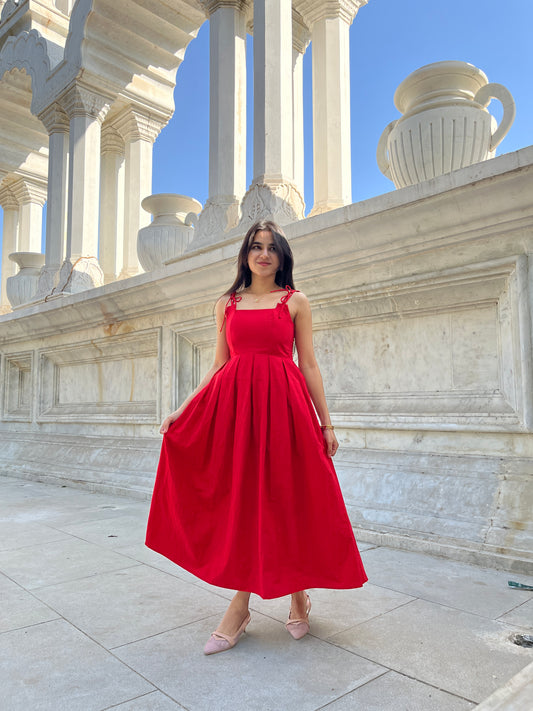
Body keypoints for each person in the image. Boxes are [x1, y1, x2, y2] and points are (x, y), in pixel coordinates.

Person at [145, 219, 367, 655]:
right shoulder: (226, 304)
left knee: (289, 498)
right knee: (244, 501)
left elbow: (310, 365)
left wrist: (326, 423)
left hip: (285, 411)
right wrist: (182, 409)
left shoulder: (295, 301)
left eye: (271, 248)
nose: (263, 254)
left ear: (282, 256)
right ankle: (240, 606)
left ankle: (298, 593)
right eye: (255, 247)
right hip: (236, 415)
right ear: (245, 255)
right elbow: (217, 366)